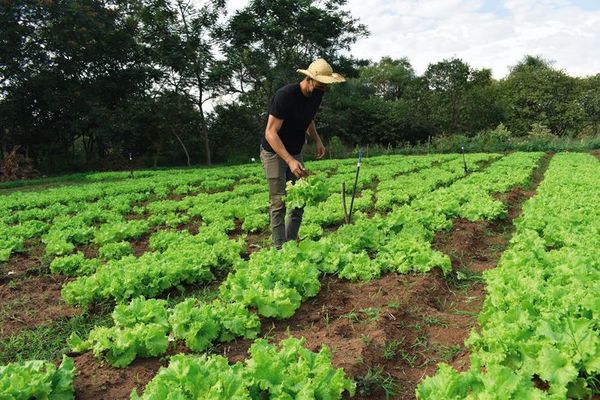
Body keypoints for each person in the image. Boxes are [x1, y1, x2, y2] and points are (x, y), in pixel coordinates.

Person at [260, 58, 346, 248]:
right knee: (278, 201)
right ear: (309, 79)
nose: (324, 89)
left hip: (294, 151)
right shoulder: (285, 95)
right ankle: (279, 248)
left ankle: (290, 243)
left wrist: (317, 139)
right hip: (274, 151)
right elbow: (270, 132)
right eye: (321, 85)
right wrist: (289, 160)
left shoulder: (316, 95)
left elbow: (308, 119)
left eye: (326, 86)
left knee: (300, 199)